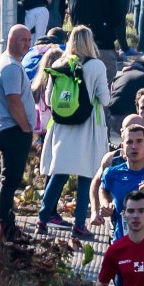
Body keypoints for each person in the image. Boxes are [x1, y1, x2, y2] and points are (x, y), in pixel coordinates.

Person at [36, 25, 112, 236]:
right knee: (86, 174)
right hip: (88, 127)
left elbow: (49, 98)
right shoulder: (96, 66)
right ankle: (79, 224)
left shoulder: (59, 64)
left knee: (59, 174)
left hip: (62, 126)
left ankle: (42, 220)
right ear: (90, 42)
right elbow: (104, 99)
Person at [0, 23, 38, 240]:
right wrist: (25, 127)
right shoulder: (10, 66)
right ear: (11, 40)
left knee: (9, 179)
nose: (27, 44)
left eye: (29, 40)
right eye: (23, 40)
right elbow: (13, 100)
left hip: (11, 129)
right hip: (13, 130)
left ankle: (6, 223)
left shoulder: (9, 62)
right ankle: (5, 226)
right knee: (10, 180)